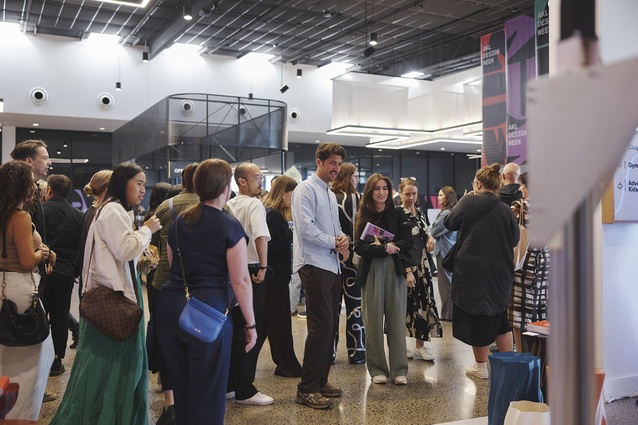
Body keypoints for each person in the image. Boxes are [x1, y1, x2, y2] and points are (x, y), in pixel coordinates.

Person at [50, 162, 162, 424]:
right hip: (115, 301)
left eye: (145, 184)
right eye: (139, 183)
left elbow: (117, 256)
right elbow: (124, 249)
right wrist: (148, 229)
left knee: (110, 368)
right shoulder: (114, 211)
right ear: (123, 183)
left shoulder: (111, 210)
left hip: (112, 297)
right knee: (114, 369)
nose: (143, 189)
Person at [155, 159, 257, 425]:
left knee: (182, 387)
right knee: (210, 391)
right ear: (225, 187)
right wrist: (251, 323)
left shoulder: (179, 221)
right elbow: (240, 281)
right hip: (207, 311)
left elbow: (173, 263)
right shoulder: (229, 225)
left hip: (170, 306)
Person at [443, 163, 520, 380]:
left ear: (478, 183)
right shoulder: (505, 209)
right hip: (501, 271)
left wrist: (464, 200)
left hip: (472, 271)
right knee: (499, 317)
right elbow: (514, 239)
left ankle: (480, 366)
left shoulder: (468, 201)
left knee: (478, 317)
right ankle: (509, 365)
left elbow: (449, 223)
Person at [292, 142, 350, 410]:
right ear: (319, 161)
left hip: (332, 265)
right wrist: (333, 242)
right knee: (320, 326)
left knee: (329, 328)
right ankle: (306, 388)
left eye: (339, 164)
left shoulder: (329, 193)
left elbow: (336, 228)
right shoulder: (305, 189)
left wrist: (343, 243)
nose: (336, 168)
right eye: (332, 163)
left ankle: (321, 380)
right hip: (314, 264)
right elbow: (305, 229)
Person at [0, 160, 55, 421]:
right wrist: (42, 253)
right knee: (27, 364)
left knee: (5, 358)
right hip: (20, 290)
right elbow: (25, 260)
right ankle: (19, 416)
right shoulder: (20, 217)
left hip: (2, 286)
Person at [150, 163, 199, 424]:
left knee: (168, 343)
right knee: (199, 341)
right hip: (200, 286)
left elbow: (156, 246)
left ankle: (170, 403)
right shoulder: (215, 207)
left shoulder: (165, 207)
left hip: (165, 283)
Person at [354, 174, 413, 385]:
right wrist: (380, 248)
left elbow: (408, 241)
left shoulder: (397, 213)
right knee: (373, 323)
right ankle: (377, 368)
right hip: (371, 272)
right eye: (377, 188)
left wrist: (392, 244)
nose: (381, 192)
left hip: (394, 271)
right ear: (370, 191)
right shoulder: (363, 215)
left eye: (385, 188)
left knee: (397, 321)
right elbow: (358, 247)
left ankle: (399, 369)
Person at [226, 163, 273, 406]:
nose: (260, 182)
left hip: (232, 270)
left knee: (235, 328)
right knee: (253, 328)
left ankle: (231, 384)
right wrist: (264, 267)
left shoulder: (229, 204)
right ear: (241, 181)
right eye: (256, 178)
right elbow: (260, 235)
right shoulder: (254, 204)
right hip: (253, 269)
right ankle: (245, 389)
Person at [41, 174, 83, 376]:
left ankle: (40, 359)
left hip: (41, 272)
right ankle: (57, 361)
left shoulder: (40, 211)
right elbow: (80, 249)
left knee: (40, 316)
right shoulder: (78, 216)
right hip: (66, 274)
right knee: (59, 317)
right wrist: (74, 270)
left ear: (49, 190)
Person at [262, 175, 303, 377]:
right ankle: (286, 363)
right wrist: (291, 232)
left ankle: (287, 362)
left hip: (278, 276)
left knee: (279, 323)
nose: (292, 198)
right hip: (274, 277)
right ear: (283, 193)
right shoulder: (272, 214)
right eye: (291, 194)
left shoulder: (275, 213)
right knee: (278, 323)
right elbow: (271, 245)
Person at [398, 178, 440, 362]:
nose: (411, 197)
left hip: (423, 266)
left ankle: (420, 346)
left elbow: (426, 231)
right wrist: (407, 270)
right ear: (400, 194)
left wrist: (430, 237)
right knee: (404, 306)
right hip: (407, 266)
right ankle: (399, 345)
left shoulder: (420, 211)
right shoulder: (397, 214)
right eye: (407, 194)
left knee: (424, 303)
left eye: (414, 194)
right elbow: (399, 245)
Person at [508, 173, 549, 352]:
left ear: (526, 186)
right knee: (540, 307)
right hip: (545, 262)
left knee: (519, 309)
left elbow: (509, 233)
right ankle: (539, 353)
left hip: (524, 261)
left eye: (522, 186)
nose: (520, 189)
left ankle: (521, 352)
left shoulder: (520, 206)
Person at [331, 163, 366, 365]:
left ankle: (330, 352)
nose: (357, 179)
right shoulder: (356, 199)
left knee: (332, 308)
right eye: (354, 175)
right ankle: (357, 353)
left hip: (333, 256)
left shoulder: (329, 197)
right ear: (348, 176)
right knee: (355, 307)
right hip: (353, 259)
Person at [429, 186, 458, 321]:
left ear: (448, 197)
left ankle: (448, 315)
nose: (439, 197)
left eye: (441, 195)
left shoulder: (446, 214)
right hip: (450, 250)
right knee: (448, 284)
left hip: (444, 251)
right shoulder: (453, 212)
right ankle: (448, 314)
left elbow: (434, 231)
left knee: (446, 286)